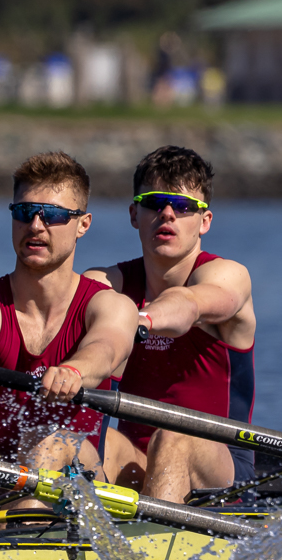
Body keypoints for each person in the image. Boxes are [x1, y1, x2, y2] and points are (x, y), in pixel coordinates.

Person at [87, 145, 257, 500]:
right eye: (154, 203)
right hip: (135, 459)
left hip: (220, 466)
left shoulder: (228, 275)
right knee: (69, 440)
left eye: (183, 207)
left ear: (204, 221)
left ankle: (151, 544)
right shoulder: (108, 282)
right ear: (135, 214)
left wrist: (138, 319)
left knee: (173, 435)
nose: (167, 214)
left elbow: (188, 305)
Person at [0, 152, 135, 488]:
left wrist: (75, 371)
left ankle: (22, 530)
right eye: (25, 212)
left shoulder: (108, 305)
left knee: (46, 441)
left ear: (83, 225)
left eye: (54, 215)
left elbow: (107, 345)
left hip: (76, 469)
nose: (35, 226)